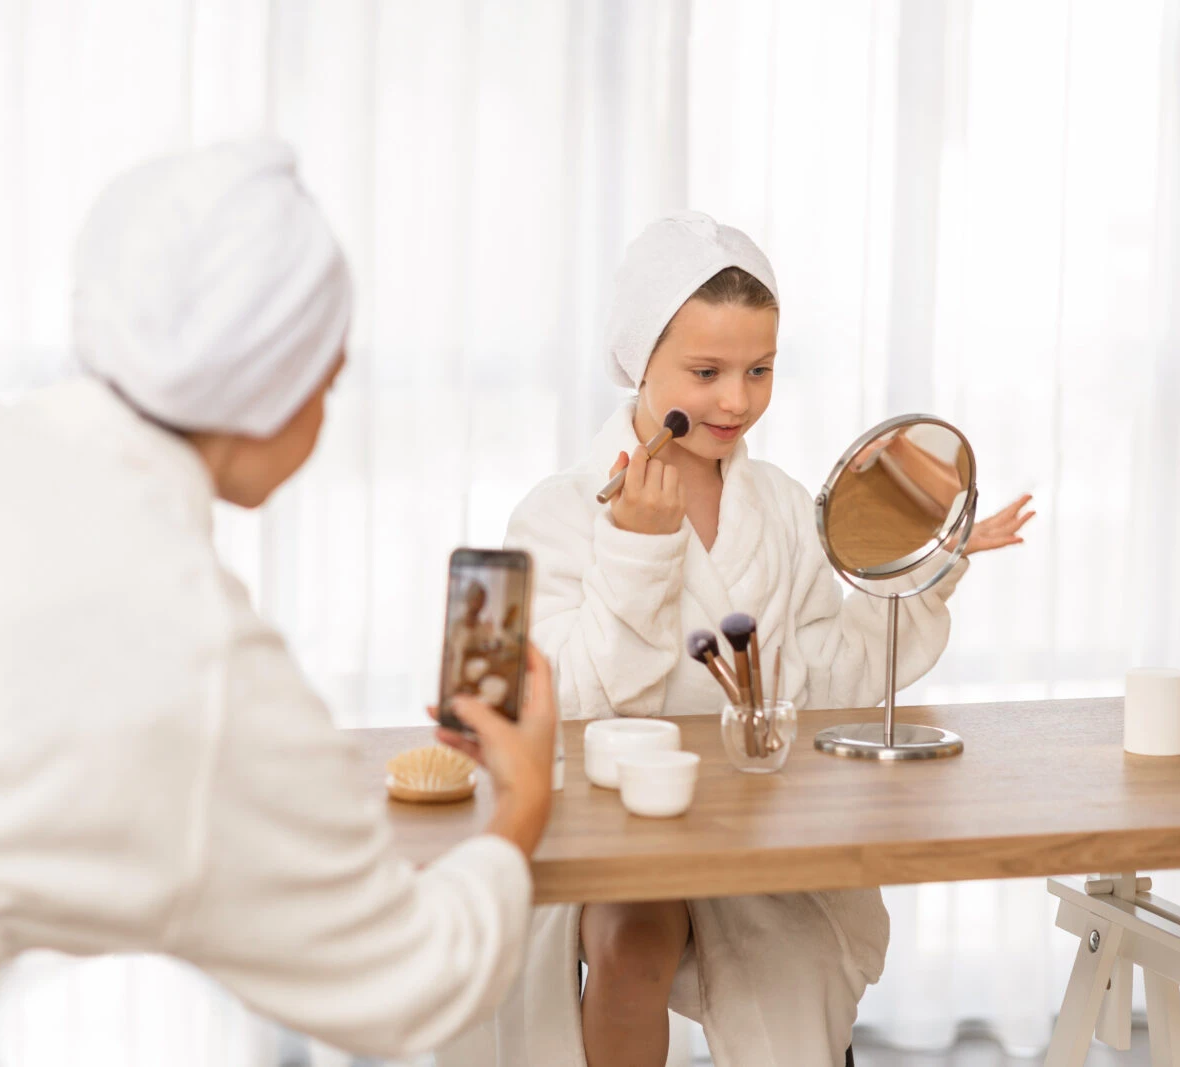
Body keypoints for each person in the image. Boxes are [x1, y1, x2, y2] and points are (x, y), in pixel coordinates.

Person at [0, 140, 556, 1067]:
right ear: (277, 389)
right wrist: (523, 804)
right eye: (327, 383)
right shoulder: (202, 657)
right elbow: (411, 980)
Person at [438, 212, 1032, 1067]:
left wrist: (923, 567)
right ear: (640, 361)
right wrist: (639, 554)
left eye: (760, 370)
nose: (736, 401)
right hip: (606, 833)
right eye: (705, 371)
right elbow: (561, 706)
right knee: (632, 939)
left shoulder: (786, 509)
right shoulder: (559, 513)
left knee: (784, 969)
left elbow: (832, 680)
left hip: (752, 832)